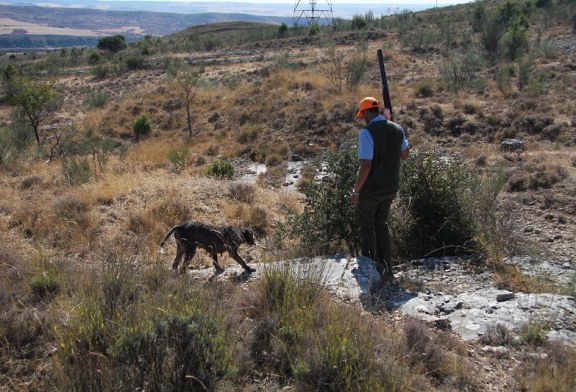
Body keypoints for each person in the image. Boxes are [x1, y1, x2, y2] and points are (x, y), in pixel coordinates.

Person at [351, 97, 409, 284]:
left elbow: (366, 165)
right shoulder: (397, 128)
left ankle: (371, 272)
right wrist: (394, 133)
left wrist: (356, 191)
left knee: (366, 226)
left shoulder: (366, 133)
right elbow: (405, 154)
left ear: (366, 112)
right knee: (381, 224)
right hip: (391, 188)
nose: (363, 119)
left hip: (372, 190)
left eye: (363, 116)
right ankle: (387, 268)